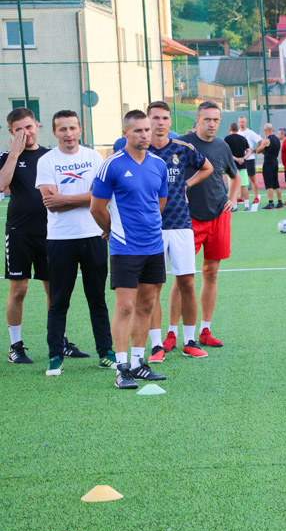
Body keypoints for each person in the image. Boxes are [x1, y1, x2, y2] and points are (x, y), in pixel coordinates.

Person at [90, 110, 168, 389]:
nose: (145, 134)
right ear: (125, 134)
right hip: (124, 248)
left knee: (147, 304)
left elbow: (159, 203)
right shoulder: (111, 165)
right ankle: (121, 367)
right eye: (138, 131)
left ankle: (137, 362)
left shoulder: (158, 164)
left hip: (154, 246)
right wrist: (114, 231)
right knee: (125, 306)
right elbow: (96, 207)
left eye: (147, 130)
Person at [35, 110, 116, 376]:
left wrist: (68, 199)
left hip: (93, 236)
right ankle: (56, 356)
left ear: (80, 130)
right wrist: (85, 198)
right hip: (60, 240)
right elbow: (52, 205)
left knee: (97, 299)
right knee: (59, 300)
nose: (68, 133)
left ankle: (106, 353)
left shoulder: (94, 157)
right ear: (55, 132)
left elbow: (98, 198)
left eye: (73, 128)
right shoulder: (47, 161)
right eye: (63, 129)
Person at [142, 101, 213, 363]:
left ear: (170, 123)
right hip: (151, 229)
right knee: (152, 289)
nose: (160, 123)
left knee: (187, 284)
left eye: (164, 118)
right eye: (155, 118)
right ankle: (157, 344)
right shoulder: (139, 151)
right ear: (147, 121)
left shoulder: (183, 150)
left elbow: (207, 168)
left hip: (182, 225)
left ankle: (189, 341)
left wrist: (187, 184)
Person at [178, 101, 240, 348]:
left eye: (216, 119)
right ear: (198, 119)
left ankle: (205, 330)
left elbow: (235, 177)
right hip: (187, 218)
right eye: (207, 119)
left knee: (211, 273)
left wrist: (233, 199)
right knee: (184, 277)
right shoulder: (182, 143)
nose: (212, 124)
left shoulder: (222, 146)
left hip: (218, 215)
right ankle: (175, 333)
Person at [0, 108, 52, 364]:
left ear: (37, 125)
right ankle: (15, 346)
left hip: (51, 233)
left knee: (54, 288)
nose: (26, 133)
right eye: (19, 129)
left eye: (29, 127)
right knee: (18, 290)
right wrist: (14, 154)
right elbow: (1, 185)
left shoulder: (51, 156)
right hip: (20, 233)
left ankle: (58, 341)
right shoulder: (7, 156)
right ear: (11, 132)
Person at [225, 123, 252, 211]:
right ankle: (247, 205)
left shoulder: (227, 139)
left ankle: (234, 206)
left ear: (230, 130)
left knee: (232, 186)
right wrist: (243, 158)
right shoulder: (243, 138)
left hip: (232, 167)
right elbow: (249, 150)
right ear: (237, 130)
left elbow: (227, 153)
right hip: (242, 165)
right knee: (244, 186)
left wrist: (236, 159)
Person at [256, 123, 284, 210]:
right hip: (275, 161)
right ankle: (280, 202)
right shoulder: (276, 139)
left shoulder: (267, 140)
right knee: (276, 183)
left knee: (269, 183)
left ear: (265, 130)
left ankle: (271, 203)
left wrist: (260, 147)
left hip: (268, 162)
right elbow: (268, 150)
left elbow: (258, 150)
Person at [237, 116, 262, 208]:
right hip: (240, 159)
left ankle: (256, 197)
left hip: (249, 159)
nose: (241, 123)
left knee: (252, 178)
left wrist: (255, 150)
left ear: (246, 122)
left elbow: (260, 141)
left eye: (243, 122)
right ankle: (241, 197)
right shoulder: (238, 133)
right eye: (240, 122)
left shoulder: (250, 133)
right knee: (240, 178)